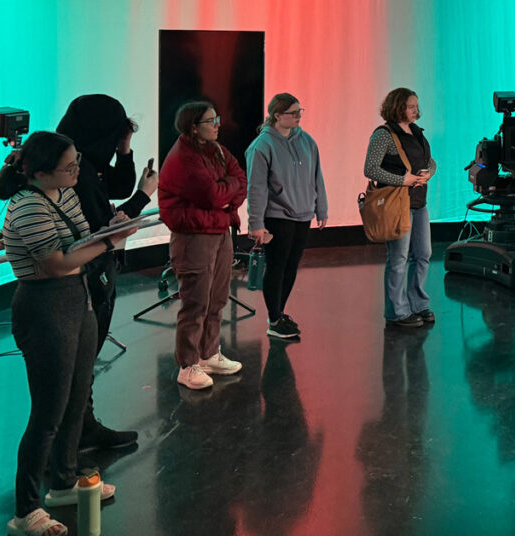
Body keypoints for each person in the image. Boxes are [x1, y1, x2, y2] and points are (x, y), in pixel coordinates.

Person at [0, 131, 134, 536]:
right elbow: (57, 262)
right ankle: (26, 510)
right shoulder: (26, 206)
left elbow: (79, 241)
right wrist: (109, 241)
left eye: (77, 162)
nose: (78, 171)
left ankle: (63, 481)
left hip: (78, 299)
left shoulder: (65, 193)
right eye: (69, 166)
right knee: (48, 413)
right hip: (43, 305)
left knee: (77, 398)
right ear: (40, 173)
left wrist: (110, 228)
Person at [56, 94, 158, 452]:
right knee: (81, 362)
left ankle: (83, 429)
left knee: (85, 362)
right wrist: (144, 197)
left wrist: (125, 150)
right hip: (87, 276)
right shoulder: (75, 172)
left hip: (96, 272)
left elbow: (115, 187)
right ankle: (72, 441)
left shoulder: (84, 161)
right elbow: (103, 228)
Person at [158, 102, 247, 390]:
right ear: (193, 127)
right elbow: (211, 194)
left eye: (217, 118)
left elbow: (240, 180)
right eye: (211, 120)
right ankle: (188, 364)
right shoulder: (183, 157)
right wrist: (224, 193)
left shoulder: (217, 150)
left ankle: (209, 354)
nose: (217, 124)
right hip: (193, 236)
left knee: (217, 297)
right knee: (195, 302)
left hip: (219, 231)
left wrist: (226, 193)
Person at [245, 93, 327, 339]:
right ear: (277, 116)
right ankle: (274, 318)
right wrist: (256, 224)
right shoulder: (262, 146)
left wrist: (321, 208)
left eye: (299, 111)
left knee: (291, 266)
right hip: (277, 215)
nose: (298, 116)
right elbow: (256, 188)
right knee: (277, 266)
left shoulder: (307, 141)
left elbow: (317, 176)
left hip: (302, 214)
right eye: (293, 113)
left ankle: (280, 314)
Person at [364, 88, 436, 328]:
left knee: (423, 255)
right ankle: (397, 311)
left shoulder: (416, 132)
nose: (417, 110)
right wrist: (403, 180)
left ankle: (418, 304)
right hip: (398, 203)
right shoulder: (384, 135)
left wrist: (429, 172)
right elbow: (371, 169)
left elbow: (429, 161)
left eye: (416, 105)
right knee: (399, 258)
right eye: (411, 106)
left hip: (418, 203)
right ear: (398, 107)